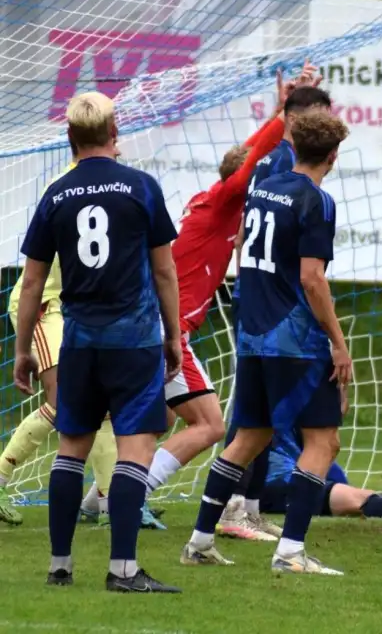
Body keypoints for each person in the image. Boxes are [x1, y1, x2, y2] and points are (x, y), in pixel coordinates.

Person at [13, 91, 184, 592]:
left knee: (71, 449)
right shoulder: (141, 187)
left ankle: (60, 566)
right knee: (135, 449)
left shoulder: (57, 193)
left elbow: (31, 282)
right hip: (133, 341)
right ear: (115, 133)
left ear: (70, 138)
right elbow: (165, 271)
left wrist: (23, 350)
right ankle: (123, 570)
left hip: (79, 341)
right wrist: (172, 335)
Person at [137, 66, 316, 531]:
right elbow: (243, 173)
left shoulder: (212, 205)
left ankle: (107, 499)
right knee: (210, 425)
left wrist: (279, 112)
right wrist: (285, 118)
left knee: (150, 422)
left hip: (153, 324)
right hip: (160, 328)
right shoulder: (221, 204)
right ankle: (131, 494)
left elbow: (242, 166)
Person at [181, 108, 351, 576]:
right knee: (324, 440)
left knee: (251, 436)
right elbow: (312, 279)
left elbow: (239, 244)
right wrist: (338, 342)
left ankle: (198, 541)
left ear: (294, 146)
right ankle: (291, 551)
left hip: (253, 334)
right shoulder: (317, 200)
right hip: (294, 339)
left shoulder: (262, 187)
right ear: (333, 155)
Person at [217, 81, 334, 542]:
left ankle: (248, 505)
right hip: (276, 305)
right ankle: (235, 505)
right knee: (256, 414)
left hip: (264, 298)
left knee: (263, 414)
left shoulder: (271, 163)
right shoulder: (286, 168)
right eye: (315, 117)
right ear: (295, 120)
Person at [1, 154, 117, 527]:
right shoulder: (69, 186)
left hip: (69, 309)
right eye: (114, 144)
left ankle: (107, 500)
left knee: (97, 406)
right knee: (65, 400)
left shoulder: (104, 183)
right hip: (42, 306)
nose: (118, 153)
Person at [260, 429, 382, 520]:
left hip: (293, 470)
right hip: (275, 483)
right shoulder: (277, 400)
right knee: (354, 499)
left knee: (350, 493)